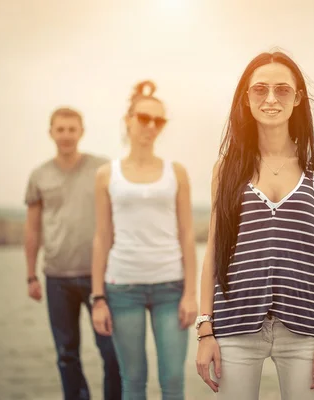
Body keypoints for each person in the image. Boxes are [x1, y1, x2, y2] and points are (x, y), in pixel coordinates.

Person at [194, 51, 314, 400]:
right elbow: (213, 252)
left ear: (298, 97)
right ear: (246, 99)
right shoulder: (226, 169)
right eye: (260, 89)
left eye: (282, 90)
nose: (271, 99)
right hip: (235, 323)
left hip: (306, 325)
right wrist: (205, 332)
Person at [90, 80, 198, 400]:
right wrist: (98, 297)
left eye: (159, 121)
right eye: (144, 118)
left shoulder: (175, 172)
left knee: (173, 379)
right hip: (123, 287)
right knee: (133, 381)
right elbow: (102, 237)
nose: (151, 126)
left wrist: (191, 293)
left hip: (170, 287)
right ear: (128, 119)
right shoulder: (106, 174)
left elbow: (187, 234)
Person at [24, 107, 121, 399]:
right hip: (57, 278)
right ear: (51, 133)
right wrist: (30, 275)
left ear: (81, 132)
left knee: (112, 354)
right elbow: (32, 229)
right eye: (60, 129)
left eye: (71, 129)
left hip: (100, 277)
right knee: (67, 355)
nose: (66, 135)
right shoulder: (39, 175)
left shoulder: (103, 168)